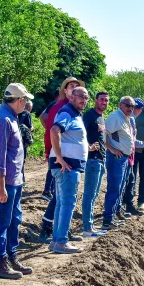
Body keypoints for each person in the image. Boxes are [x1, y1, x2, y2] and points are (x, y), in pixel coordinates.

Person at [0, 83, 34, 279]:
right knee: (1, 221)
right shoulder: (3, 119)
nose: (27, 103)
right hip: (5, 181)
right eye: (26, 100)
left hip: (15, 179)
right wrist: (1, 186)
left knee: (14, 219)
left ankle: (11, 257)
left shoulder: (11, 117)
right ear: (19, 100)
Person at [39, 77, 85, 242]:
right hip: (63, 161)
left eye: (77, 87)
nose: (74, 89)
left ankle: (60, 232)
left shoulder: (73, 110)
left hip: (66, 160)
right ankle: (52, 232)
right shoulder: (62, 108)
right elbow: (52, 130)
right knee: (62, 199)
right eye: (71, 86)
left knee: (61, 198)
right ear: (65, 91)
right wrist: (51, 152)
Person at [49, 87, 90, 254]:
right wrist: (59, 157)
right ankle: (61, 241)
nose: (84, 100)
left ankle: (56, 240)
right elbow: (54, 130)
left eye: (86, 97)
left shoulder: (74, 114)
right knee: (68, 203)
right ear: (71, 97)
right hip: (67, 167)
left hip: (68, 166)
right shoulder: (67, 112)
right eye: (80, 96)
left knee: (62, 203)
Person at [102, 96, 135, 230]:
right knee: (114, 188)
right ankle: (107, 219)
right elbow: (103, 133)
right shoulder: (115, 116)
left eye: (132, 106)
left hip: (124, 158)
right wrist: (111, 148)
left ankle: (113, 216)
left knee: (120, 188)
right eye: (128, 105)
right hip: (116, 158)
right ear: (120, 105)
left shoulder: (126, 118)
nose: (130, 108)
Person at [81, 91, 109, 237]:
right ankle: (87, 228)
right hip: (92, 160)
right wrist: (87, 147)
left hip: (101, 160)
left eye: (106, 100)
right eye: (102, 100)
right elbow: (80, 133)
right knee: (90, 194)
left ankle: (89, 226)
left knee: (95, 194)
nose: (104, 102)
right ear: (96, 101)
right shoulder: (89, 116)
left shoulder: (101, 117)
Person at [122, 98, 144, 217]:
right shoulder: (129, 120)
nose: (140, 111)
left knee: (130, 178)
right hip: (126, 155)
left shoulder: (131, 120)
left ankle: (126, 204)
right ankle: (126, 205)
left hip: (130, 154)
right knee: (129, 179)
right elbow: (131, 141)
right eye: (140, 108)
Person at [18, 101, 34, 182]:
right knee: (22, 161)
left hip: (14, 140)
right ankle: (21, 180)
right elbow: (30, 128)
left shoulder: (14, 111)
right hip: (23, 142)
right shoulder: (27, 114)